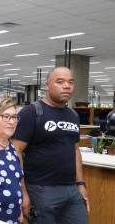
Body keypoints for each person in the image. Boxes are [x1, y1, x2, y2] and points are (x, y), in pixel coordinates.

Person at [12, 66, 89, 224]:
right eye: (60, 81)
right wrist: (23, 191)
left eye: (70, 82)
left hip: (71, 190)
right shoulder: (31, 112)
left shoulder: (73, 115)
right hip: (40, 189)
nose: (66, 86)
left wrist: (81, 185)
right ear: (47, 85)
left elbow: (75, 151)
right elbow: (15, 151)